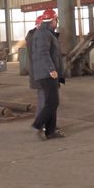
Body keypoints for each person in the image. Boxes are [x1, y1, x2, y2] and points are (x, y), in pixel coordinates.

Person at [31, 9, 66, 140]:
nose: (57, 22)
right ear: (52, 21)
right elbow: (43, 53)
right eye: (56, 20)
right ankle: (37, 125)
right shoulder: (43, 34)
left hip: (48, 73)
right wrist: (51, 69)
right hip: (46, 74)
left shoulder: (47, 33)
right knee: (52, 102)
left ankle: (50, 132)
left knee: (52, 103)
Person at [25, 15, 44, 121]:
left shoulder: (32, 35)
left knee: (44, 99)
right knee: (44, 100)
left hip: (39, 73)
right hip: (42, 74)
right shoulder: (38, 37)